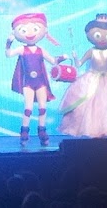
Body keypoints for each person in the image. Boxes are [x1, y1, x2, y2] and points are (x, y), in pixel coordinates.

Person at [6, 12, 66, 146]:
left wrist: (62, 58)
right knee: (28, 108)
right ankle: (24, 132)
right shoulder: (22, 49)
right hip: (28, 83)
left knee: (42, 108)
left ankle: (42, 131)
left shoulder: (40, 50)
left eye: (35, 29)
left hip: (40, 83)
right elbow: (8, 54)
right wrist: (8, 43)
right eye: (23, 30)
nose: (30, 33)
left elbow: (53, 61)